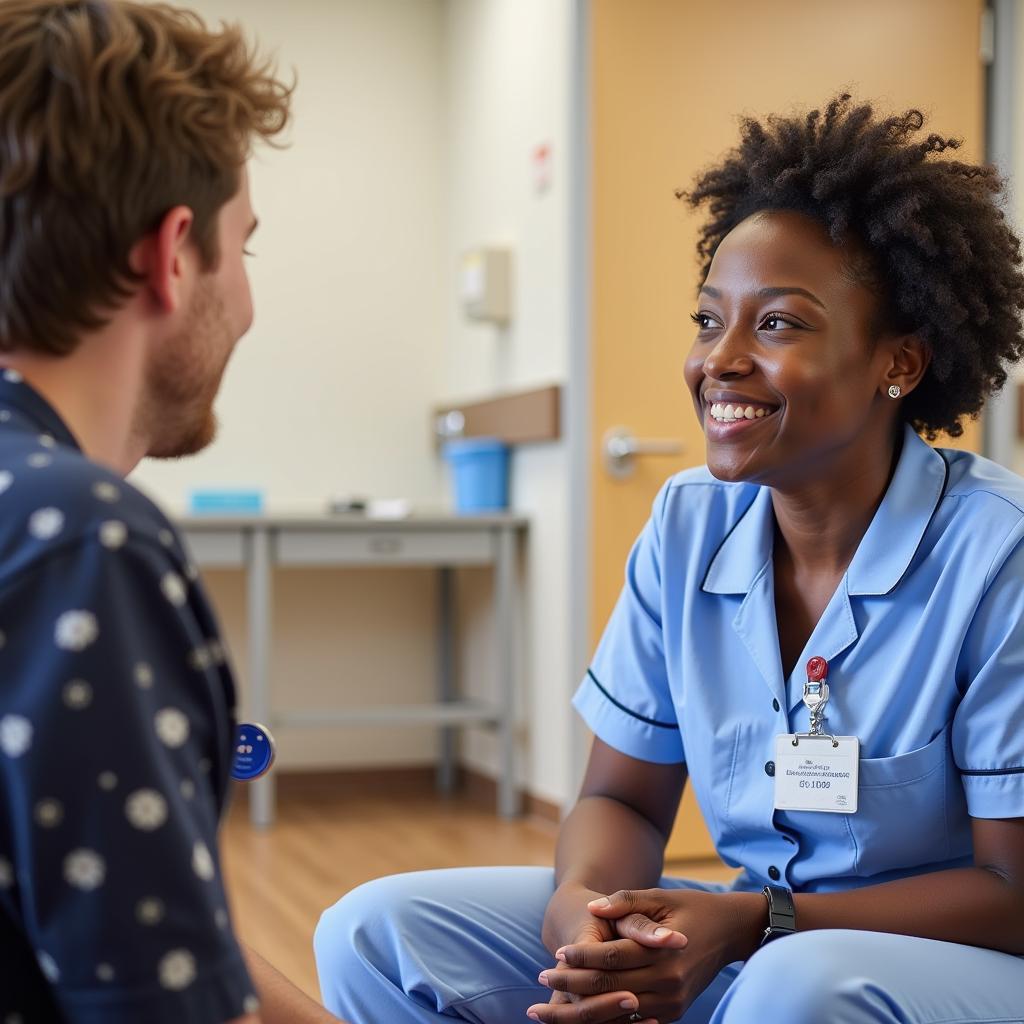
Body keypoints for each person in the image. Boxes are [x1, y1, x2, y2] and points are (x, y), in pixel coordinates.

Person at [314, 95, 1024, 1024]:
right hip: (754, 935)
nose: (717, 361)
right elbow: (622, 800)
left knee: (793, 986)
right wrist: (589, 924)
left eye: (777, 325)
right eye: (706, 320)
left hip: (951, 965)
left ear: (899, 362)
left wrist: (757, 921)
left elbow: (1011, 890)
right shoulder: (690, 522)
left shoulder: (996, 555)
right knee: (374, 931)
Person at [0, 2, 343, 1021]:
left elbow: (135, 915)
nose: (244, 303)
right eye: (244, 250)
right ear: (171, 253)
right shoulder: (84, 537)